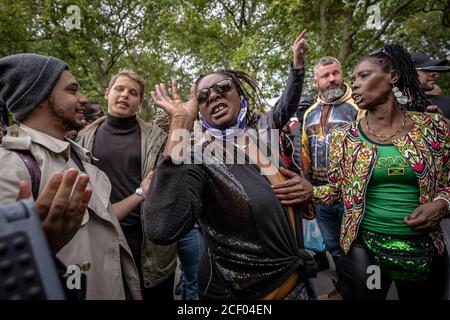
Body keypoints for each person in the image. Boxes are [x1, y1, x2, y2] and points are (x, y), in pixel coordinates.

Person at [144, 31, 319, 300]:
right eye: (202, 96)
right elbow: (163, 228)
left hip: (298, 283)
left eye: (222, 87)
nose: (213, 96)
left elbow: (287, 104)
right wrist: (180, 124)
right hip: (242, 294)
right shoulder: (196, 155)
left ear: (239, 94)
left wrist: (306, 191)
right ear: (199, 111)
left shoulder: (262, 134)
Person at [303, 44, 450, 299]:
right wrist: (308, 192)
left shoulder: (433, 128)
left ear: (392, 76)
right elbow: (337, 191)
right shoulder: (344, 138)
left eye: (364, 75)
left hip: (424, 249)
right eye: (354, 79)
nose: (356, 85)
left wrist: (442, 203)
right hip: (365, 250)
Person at [0, 53, 141, 299]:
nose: (83, 98)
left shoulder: (79, 156)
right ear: (41, 98)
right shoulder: (12, 165)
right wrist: (38, 250)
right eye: (72, 90)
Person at [77, 69, 177, 300]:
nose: (124, 95)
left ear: (140, 102)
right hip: (100, 235)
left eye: (132, 93)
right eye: (119, 89)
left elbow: (173, 176)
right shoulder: (82, 138)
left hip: (145, 241)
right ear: (107, 93)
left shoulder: (157, 138)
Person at [301, 56, 362, 297]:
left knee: (357, 247)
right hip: (320, 196)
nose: (332, 79)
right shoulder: (309, 113)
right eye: (325, 76)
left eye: (335, 73)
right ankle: (344, 287)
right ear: (316, 80)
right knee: (334, 247)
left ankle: (361, 289)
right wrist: (306, 186)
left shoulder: (358, 107)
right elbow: (304, 152)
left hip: (351, 196)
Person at [411, 52, 450, 118]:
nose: (434, 74)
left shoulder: (447, 102)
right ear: (411, 72)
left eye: (433, 69)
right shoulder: (396, 108)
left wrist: (443, 122)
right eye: (427, 69)